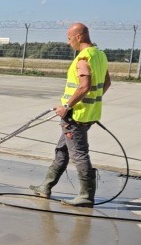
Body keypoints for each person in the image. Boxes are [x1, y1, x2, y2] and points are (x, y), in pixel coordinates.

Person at [30, 23, 112, 207]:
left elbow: (84, 86)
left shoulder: (83, 57)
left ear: (79, 37)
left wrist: (67, 106)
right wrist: (92, 100)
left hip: (76, 116)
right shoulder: (100, 55)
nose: (68, 43)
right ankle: (46, 186)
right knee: (62, 149)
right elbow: (107, 83)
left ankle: (86, 196)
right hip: (88, 114)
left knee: (79, 154)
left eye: (69, 38)